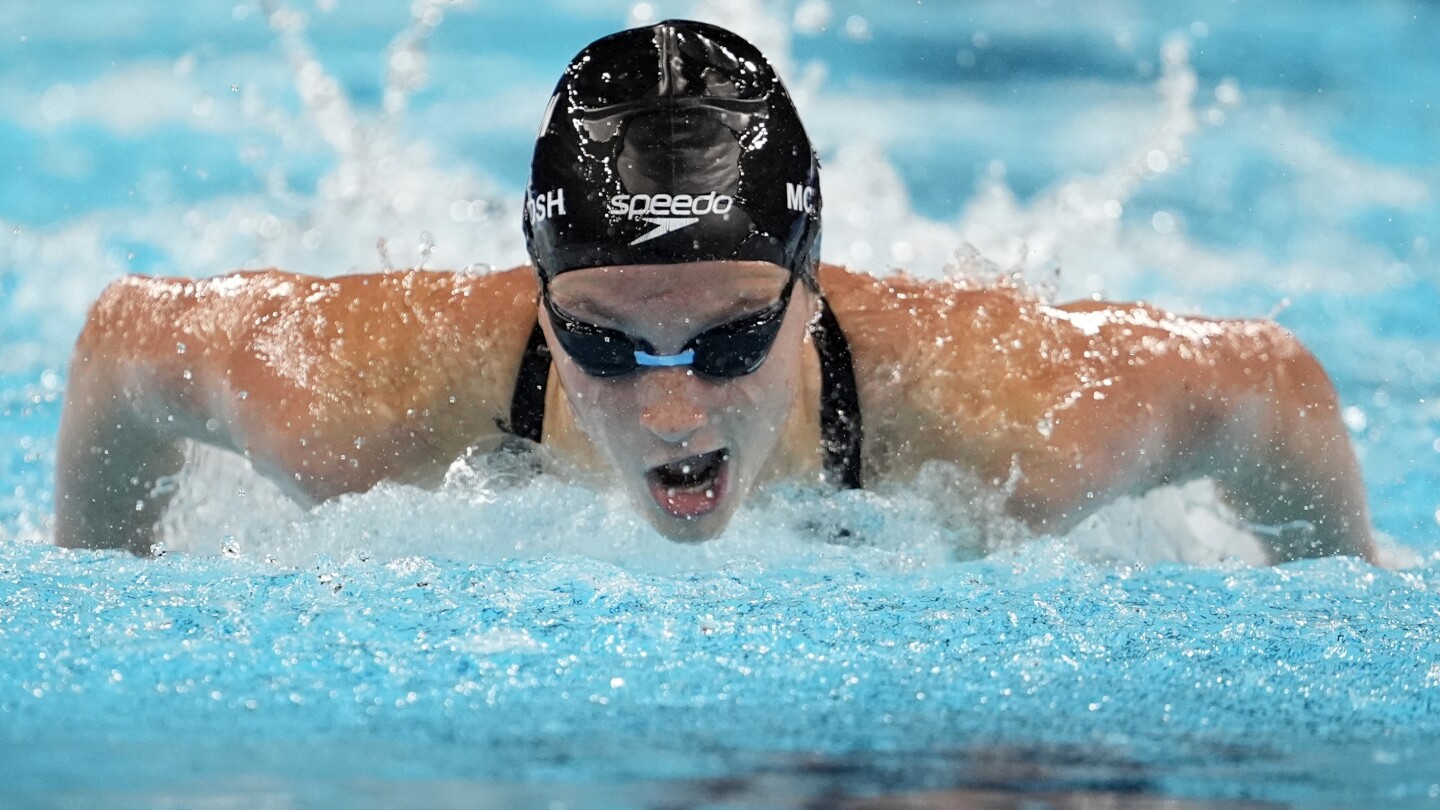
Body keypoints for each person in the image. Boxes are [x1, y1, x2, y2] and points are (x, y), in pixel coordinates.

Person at [54, 20, 1376, 563]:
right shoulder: (355, 405)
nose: (674, 399)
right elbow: (121, 344)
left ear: (810, 292)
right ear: (542, 299)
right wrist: (102, 577)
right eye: (607, 342)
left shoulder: (1013, 417)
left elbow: (1267, 381)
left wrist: (1340, 580)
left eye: (734, 333)